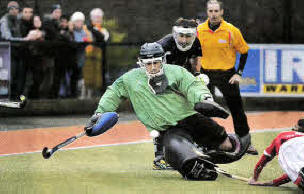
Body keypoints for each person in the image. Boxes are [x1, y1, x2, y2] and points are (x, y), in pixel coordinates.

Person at [85, 42, 251, 181]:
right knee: (174, 148)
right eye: (148, 63)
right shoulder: (129, 79)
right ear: (140, 63)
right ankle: (193, 166)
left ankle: (231, 145)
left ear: (162, 60)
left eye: (156, 62)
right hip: (168, 129)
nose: (152, 67)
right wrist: (100, 113)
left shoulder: (176, 71)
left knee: (226, 145)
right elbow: (113, 93)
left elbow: (192, 85)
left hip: (191, 118)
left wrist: (203, 99)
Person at [197, 0, 257, 155]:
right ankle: (204, 141)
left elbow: (244, 51)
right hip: (205, 74)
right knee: (202, 108)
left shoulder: (231, 30)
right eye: (210, 11)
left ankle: (246, 141)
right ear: (207, 12)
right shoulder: (199, 30)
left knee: (237, 108)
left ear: (222, 12)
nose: (213, 14)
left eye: (216, 11)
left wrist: (239, 73)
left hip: (227, 74)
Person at [153, 17, 209, 170]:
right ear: (175, 34)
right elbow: (152, 71)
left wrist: (197, 76)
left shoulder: (196, 43)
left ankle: (196, 147)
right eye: (181, 35)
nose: (184, 40)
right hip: (161, 81)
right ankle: (159, 157)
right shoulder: (162, 46)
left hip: (182, 79)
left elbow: (195, 61)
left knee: (194, 112)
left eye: (188, 36)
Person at [249, 118, 304, 193]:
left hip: (287, 146)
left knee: (299, 176)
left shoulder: (282, 135)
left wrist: (255, 179)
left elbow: (261, 163)